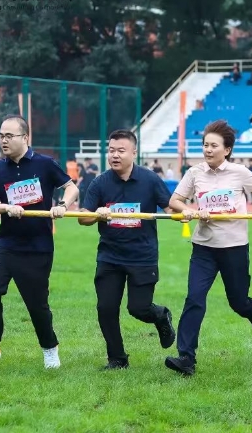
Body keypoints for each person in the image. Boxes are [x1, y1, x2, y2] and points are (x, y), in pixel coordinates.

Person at [0, 115, 79, 369]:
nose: (3, 140)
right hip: (6, 244)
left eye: (9, 136)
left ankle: (50, 348)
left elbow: (72, 188)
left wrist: (62, 205)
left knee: (37, 304)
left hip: (38, 247)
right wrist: (7, 207)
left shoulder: (45, 164)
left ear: (25, 137)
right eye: (1, 136)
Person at [164, 120, 252, 376]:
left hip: (234, 248)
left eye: (214, 145)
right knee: (194, 298)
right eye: (205, 145)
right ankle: (186, 358)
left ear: (227, 149)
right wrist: (189, 210)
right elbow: (175, 200)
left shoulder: (240, 172)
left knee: (238, 302)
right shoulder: (195, 173)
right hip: (203, 248)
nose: (208, 149)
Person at [79, 130, 177, 369]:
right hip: (110, 256)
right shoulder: (100, 182)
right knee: (106, 308)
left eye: (121, 151)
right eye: (111, 150)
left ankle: (161, 315)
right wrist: (97, 214)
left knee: (138, 308)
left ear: (134, 152)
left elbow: (171, 208)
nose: (115, 155)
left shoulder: (150, 180)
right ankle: (117, 358)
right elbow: (83, 217)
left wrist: (187, 212)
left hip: (142, 256)